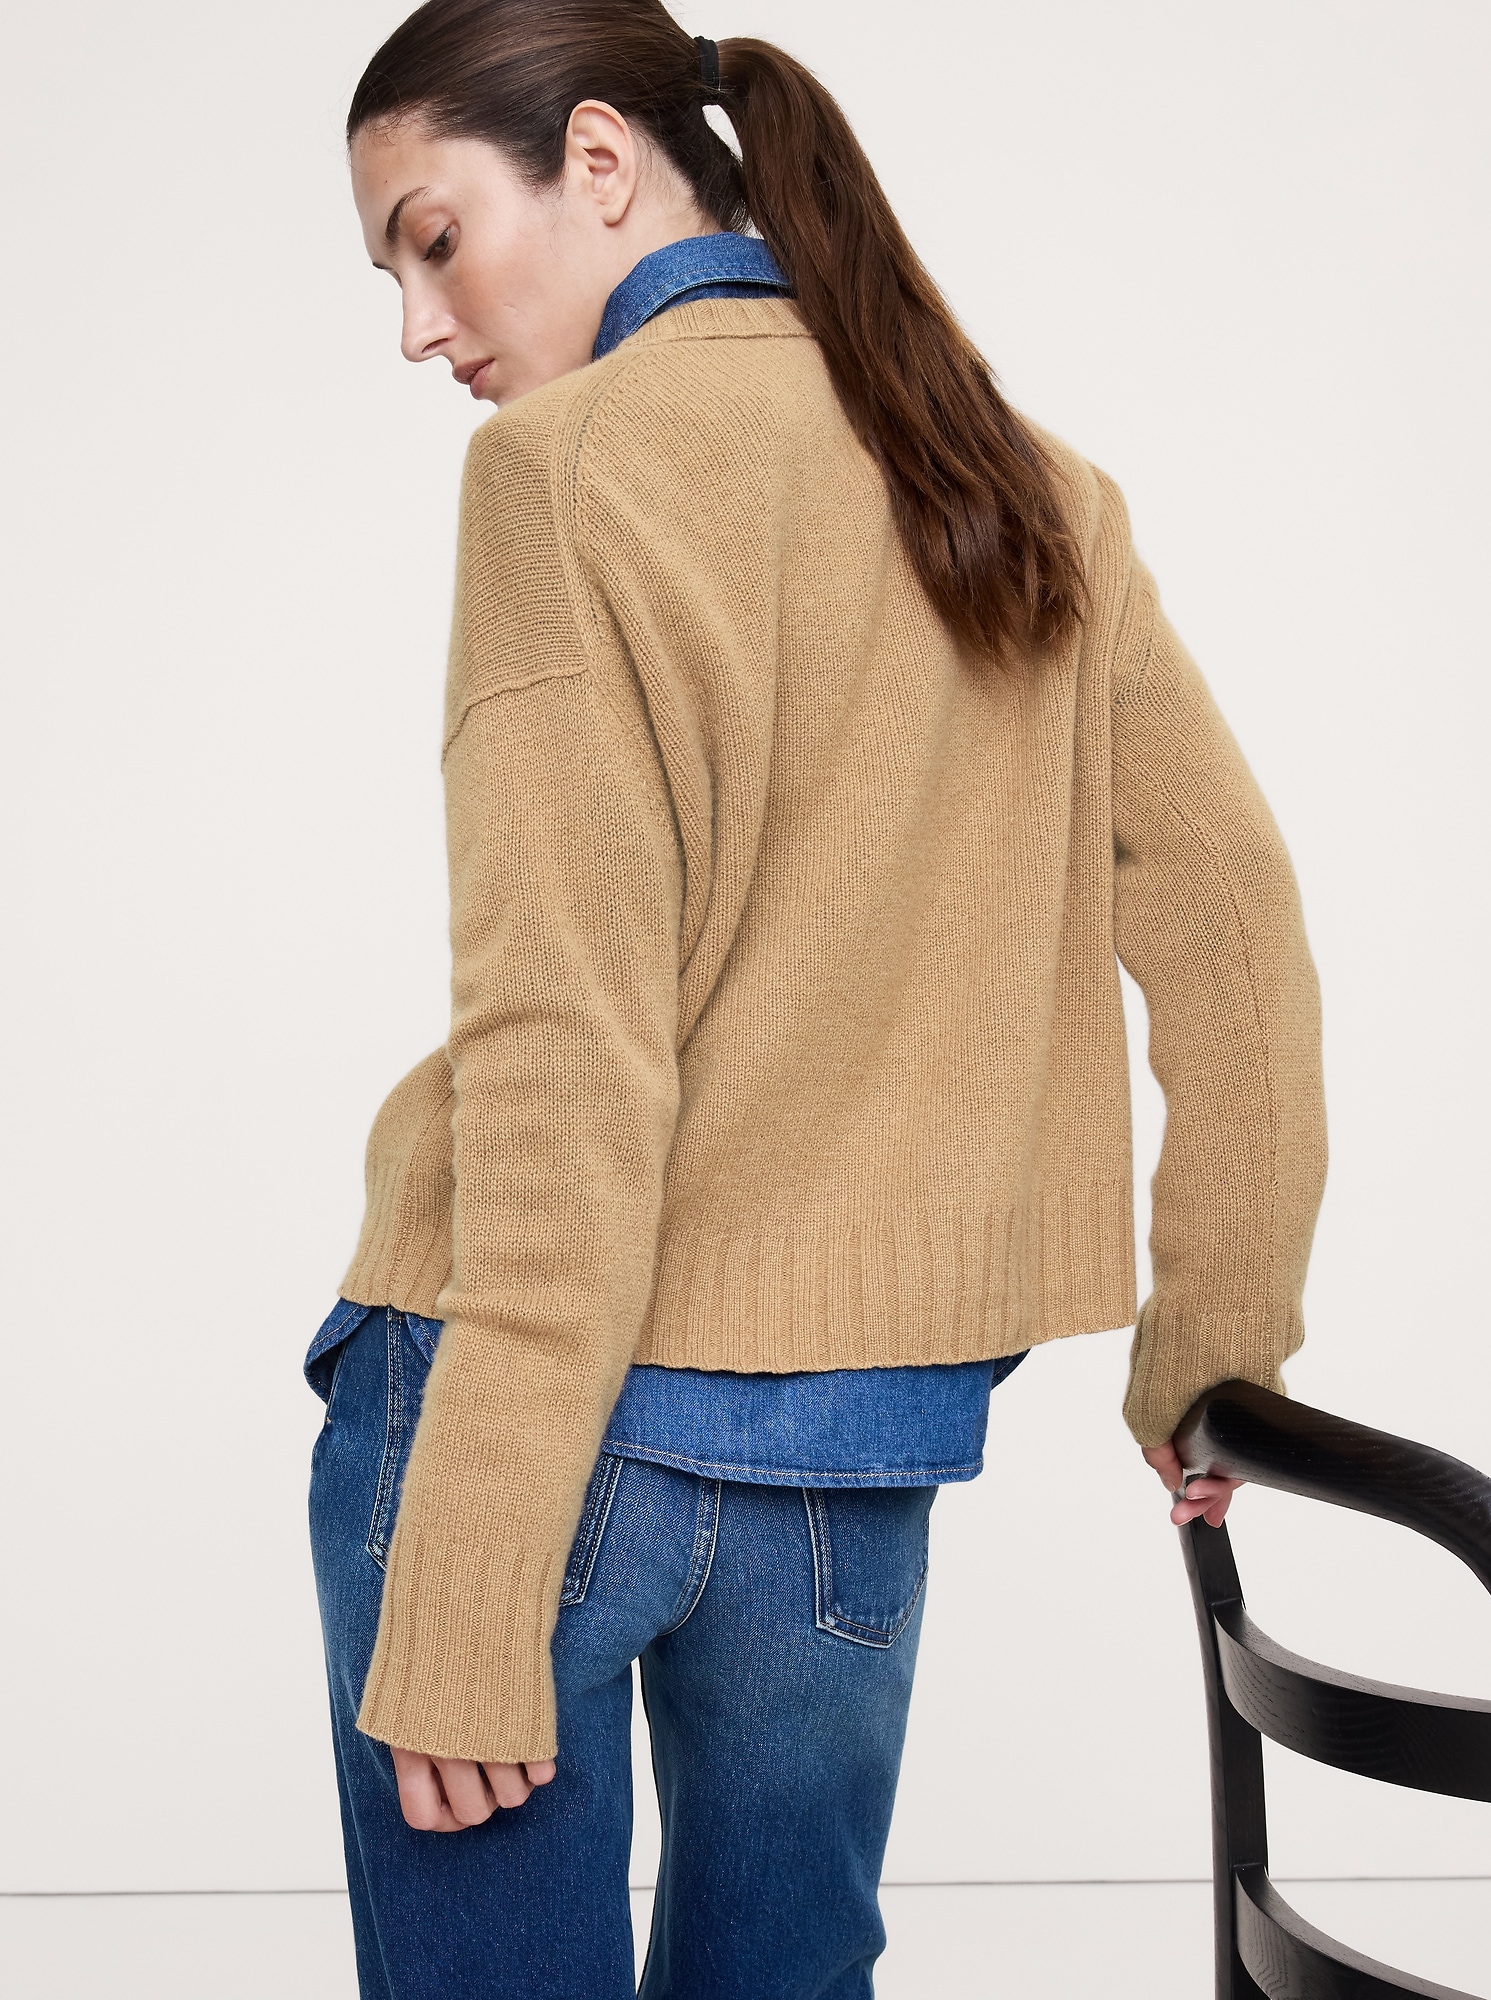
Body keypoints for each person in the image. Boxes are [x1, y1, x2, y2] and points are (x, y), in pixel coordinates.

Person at [304, 3, 1325, 1995]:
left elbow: (567, 1053)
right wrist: (1218, 1345)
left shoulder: (560, 473)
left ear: (603, 162)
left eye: (433, 242)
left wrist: (477, 1559)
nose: (421, 327)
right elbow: (1234, 923)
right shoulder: (1029, 485)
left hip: (528, 1431)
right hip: (852, 1466)